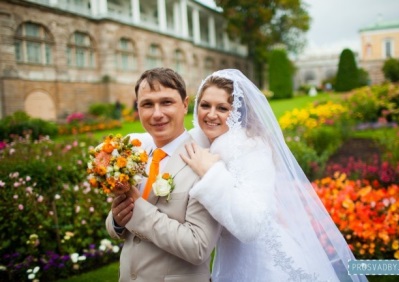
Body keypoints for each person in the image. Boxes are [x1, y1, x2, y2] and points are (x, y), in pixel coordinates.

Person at [181, 69, 368, 282]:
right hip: (231, 257)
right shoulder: (202, 147)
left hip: (263, 264)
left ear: (237, 113)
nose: (211, 114)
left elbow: (251, 224)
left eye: (222, 108)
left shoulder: (251, 148)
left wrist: (211, 174)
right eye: (205, 105)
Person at [105, 67, 221, 282]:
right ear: (138, 108)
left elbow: (198, 247)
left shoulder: (204, 163)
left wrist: (136, 206)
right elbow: (118, 225)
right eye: (147, 104)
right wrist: (117, 221)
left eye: (166, 102)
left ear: (185, 104)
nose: (157, 114)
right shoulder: (133, 156)